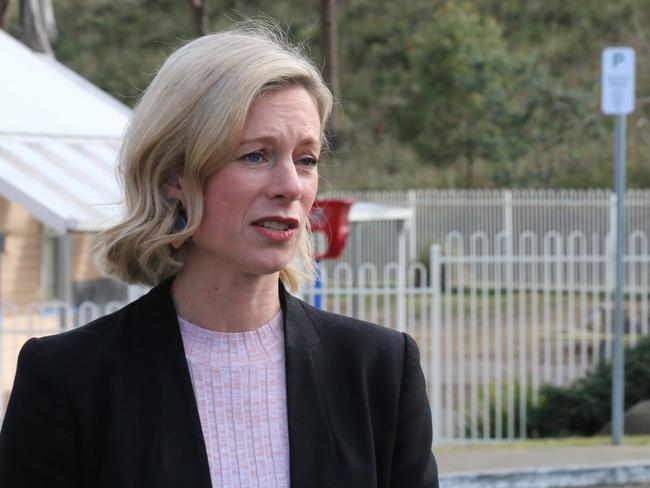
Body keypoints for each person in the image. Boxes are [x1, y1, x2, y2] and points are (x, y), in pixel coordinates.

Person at [0, 22, 438, 488]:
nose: (291, 185)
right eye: (255, 156)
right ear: (175, 177)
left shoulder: (379, 370)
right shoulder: (69, 380)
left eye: (306, 159)